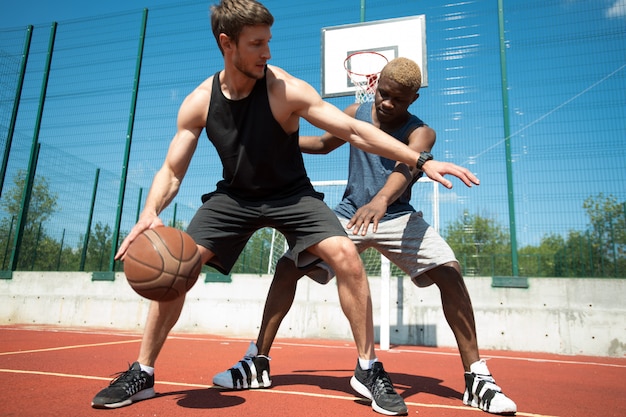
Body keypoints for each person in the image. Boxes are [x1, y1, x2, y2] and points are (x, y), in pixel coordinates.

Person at [90, 1, 479, 415]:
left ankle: (367, 368)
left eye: (268, 41)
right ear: (228, 44)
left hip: (292, 195)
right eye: (257, 44)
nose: (268, 52)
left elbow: (351, 129)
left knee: (346, 255)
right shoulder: (199, 102)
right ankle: (143, 371)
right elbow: (171, 169)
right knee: (180, 263)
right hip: (235, 197)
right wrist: (150, 210)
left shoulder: (283, 89)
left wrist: (421, 160)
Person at [212, 57, 517, 415]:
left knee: (450, 272)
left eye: (397, 100)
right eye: (383, 93)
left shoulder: (422, 132)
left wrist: (380, 201)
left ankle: (476, 379)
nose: (387, 103)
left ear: (413, 100)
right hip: (349, 214)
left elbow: (407, 169)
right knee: (287, 266)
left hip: (397, 216)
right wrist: (281, 139)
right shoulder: (356, 111)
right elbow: (326, 143)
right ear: (375, 85)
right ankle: (257, 363)